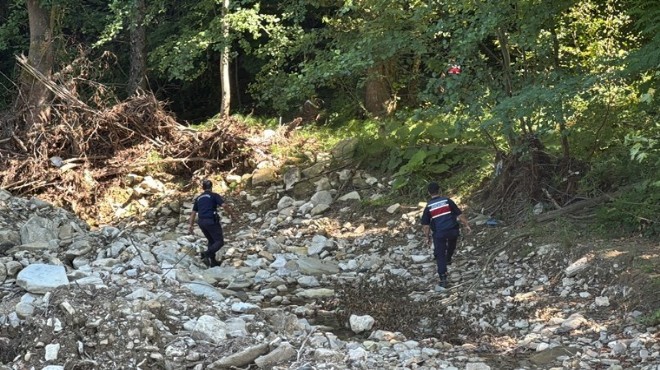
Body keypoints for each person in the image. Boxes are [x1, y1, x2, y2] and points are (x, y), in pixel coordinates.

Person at [421, 182, 471, 290]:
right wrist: (467, 225)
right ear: (439, 190)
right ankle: (449, 258)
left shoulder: (429, 206)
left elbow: (426, 225)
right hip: (453, 230)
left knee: (440, 254)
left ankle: (443, 278)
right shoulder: (447, 201)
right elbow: (460, 214)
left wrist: (427, 237)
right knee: (452, 243)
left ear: (429, 192)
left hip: (439, 233)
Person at [188, 179, 236, 267]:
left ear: (203, 188)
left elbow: (193, 213)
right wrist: (232, 215)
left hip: (201, 222)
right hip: (211, 220)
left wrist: (190, 225)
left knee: (211, 240)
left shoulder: (198, 198)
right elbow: (224, 205)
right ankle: (206, 254)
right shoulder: (214, 195)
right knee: (219, 242)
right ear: (211, 187)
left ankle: (213, 262)